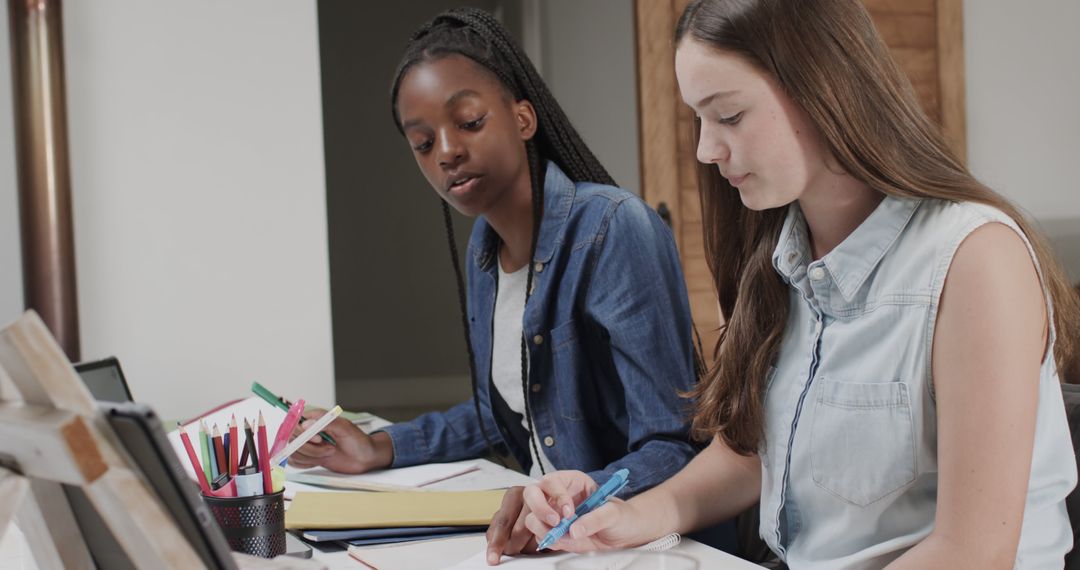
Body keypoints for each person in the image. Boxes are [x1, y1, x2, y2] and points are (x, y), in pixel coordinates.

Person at [520, 0, 1080, 567]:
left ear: (824, 87)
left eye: (729, 116)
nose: (705, 150)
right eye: (699, 118)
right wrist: (625, 517)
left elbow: (973, 553)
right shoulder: (779, 257)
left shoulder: (976, 260)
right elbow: (754, 457)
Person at [287, 7, 702, 565]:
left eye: (469, 122)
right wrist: (377, 448)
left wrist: (557, 501)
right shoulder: (484, 252)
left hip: (641, 542)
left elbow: (673, 445)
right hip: (559, 542)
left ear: (523, 117)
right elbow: (500, 413)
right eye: (422, 142)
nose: (447, 152)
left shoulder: (613, 231)